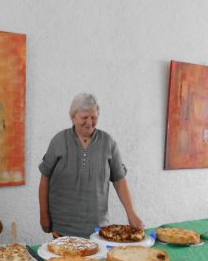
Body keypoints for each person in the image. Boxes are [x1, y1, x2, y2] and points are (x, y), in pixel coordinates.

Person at [39, 92, 143, 238]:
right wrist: (43, 215)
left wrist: (131, 213)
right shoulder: (59, 141)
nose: (89, 122)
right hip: (62, 229)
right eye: (84, 117)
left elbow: (120, 181)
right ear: (73, 116)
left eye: (94, 117)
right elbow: (45, 180)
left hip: (98, 230)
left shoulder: (108, 142)